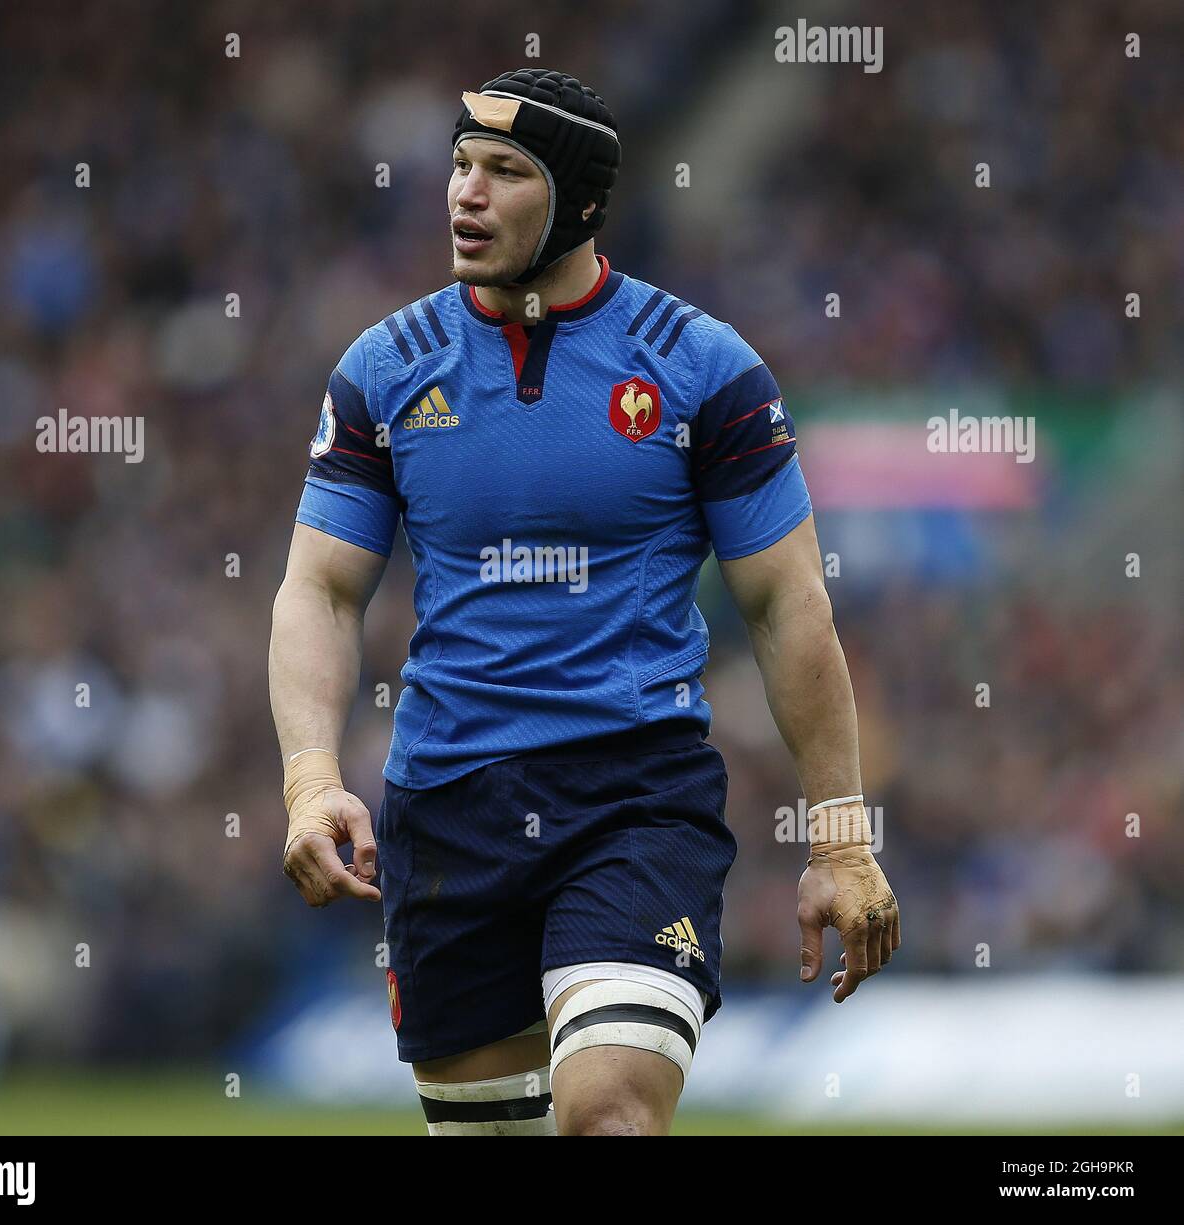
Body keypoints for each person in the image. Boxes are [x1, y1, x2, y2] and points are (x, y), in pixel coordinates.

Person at [268, 68, 899, 1136]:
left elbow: (790, 607)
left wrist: (839, 836)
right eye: (461, 165)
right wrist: (308, 777)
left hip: (632, 796)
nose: (465, 194)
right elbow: (322, 591)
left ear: (583, 203)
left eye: (505, 172)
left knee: (607, 1115)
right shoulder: (383, 371)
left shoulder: (703, 370)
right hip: (446, 810)